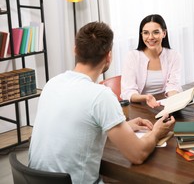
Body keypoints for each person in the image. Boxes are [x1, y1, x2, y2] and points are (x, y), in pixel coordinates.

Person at [28, 22, 175, 184]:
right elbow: (137, 155)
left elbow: (78, 124)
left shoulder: (51, 84)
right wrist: (156, 132)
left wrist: (122, 127)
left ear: (75, 49)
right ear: (109, 57)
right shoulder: (101, 96)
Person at [121, 14, 182, 108]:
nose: (150, 37)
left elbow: (173, 85)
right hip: (140, 107)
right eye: (146, 33)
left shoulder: (173, 56)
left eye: (156, 32)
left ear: (164, 33)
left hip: (164, 105)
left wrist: (175, 102)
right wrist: (145, 98)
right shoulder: (132, 57)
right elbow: (128, 91)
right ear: (141, 35)